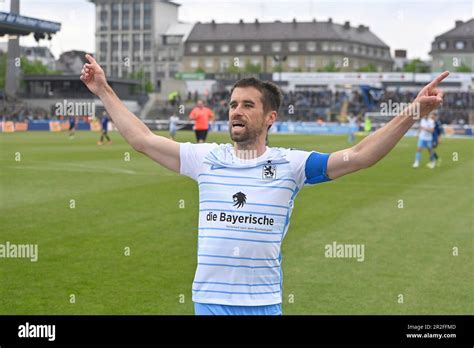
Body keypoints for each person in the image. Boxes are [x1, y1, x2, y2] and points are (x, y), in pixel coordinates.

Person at [80, 54, 448, 315]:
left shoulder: (292, 164)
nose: (236, 110)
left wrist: (413, 110)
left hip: (263, 303)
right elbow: (142, 139)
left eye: (247, 105)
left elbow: (361, 155)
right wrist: (104, 90)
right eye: (232, 104)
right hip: (209, 301)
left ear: (270, 116)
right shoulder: (205, 158)